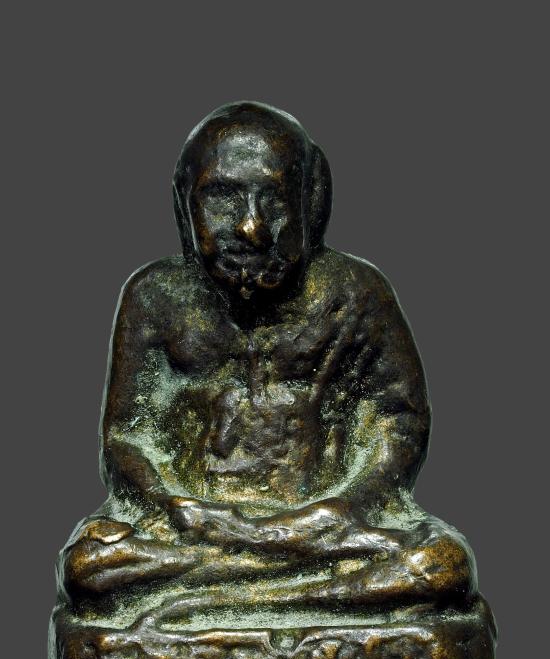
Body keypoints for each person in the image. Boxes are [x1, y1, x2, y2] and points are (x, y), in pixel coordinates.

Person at [57, 102, 476, 627]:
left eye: (274, 199)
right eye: (223, 198)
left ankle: (209, 602)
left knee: (441, 565)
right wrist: (173, 506)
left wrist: (345, 507)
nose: (252, 227)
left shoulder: (355, 293)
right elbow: (126, 437)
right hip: (193, 528)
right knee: (88, 568)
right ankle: (296, 594)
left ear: (311, 201)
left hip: (325, 530)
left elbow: (399, 421)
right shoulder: (154, 297)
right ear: (184, 205)